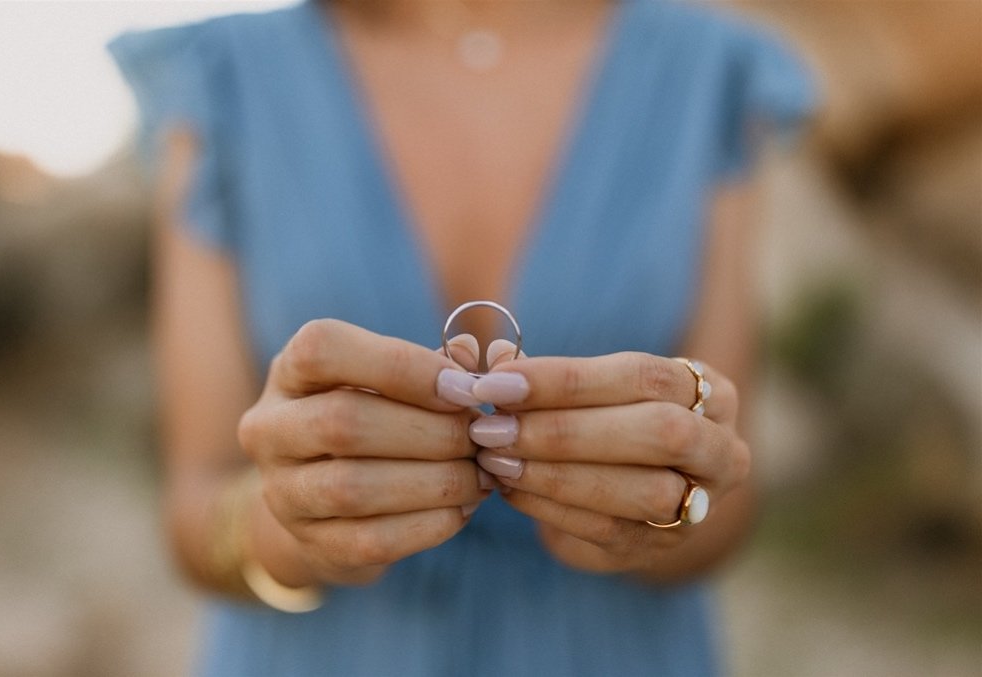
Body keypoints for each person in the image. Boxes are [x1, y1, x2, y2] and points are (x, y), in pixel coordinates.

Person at [113, 0, 813, 673]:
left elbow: (726, 495)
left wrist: (658, 516)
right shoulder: (223, 74)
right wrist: (291, 527)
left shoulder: (709, 72)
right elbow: (192, 511)